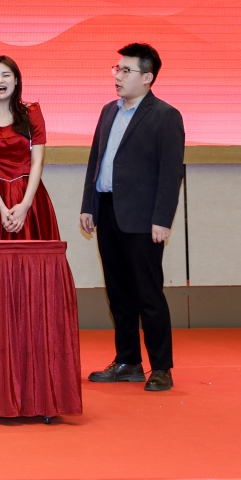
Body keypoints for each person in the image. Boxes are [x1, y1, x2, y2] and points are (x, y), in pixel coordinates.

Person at [79, 43, 185, 393]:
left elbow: (171, 173)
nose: (118, 76)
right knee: (118, 293)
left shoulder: (165, 115)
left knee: (147, 293)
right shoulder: (108, 111)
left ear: (148, 77)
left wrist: (162, 219)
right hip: (108, 211)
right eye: (117, 69)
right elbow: (96, 161)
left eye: (126, 70)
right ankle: (127, 361)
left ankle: (161, 367)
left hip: (143, 218)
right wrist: (89, 205)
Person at [0, 56, 59, 241]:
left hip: (31, 198)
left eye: (6, 75)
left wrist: (25, 205)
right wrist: (1, 207)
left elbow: (37, 163)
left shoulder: (32, 114)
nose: (0, 80)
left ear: (16, 80)